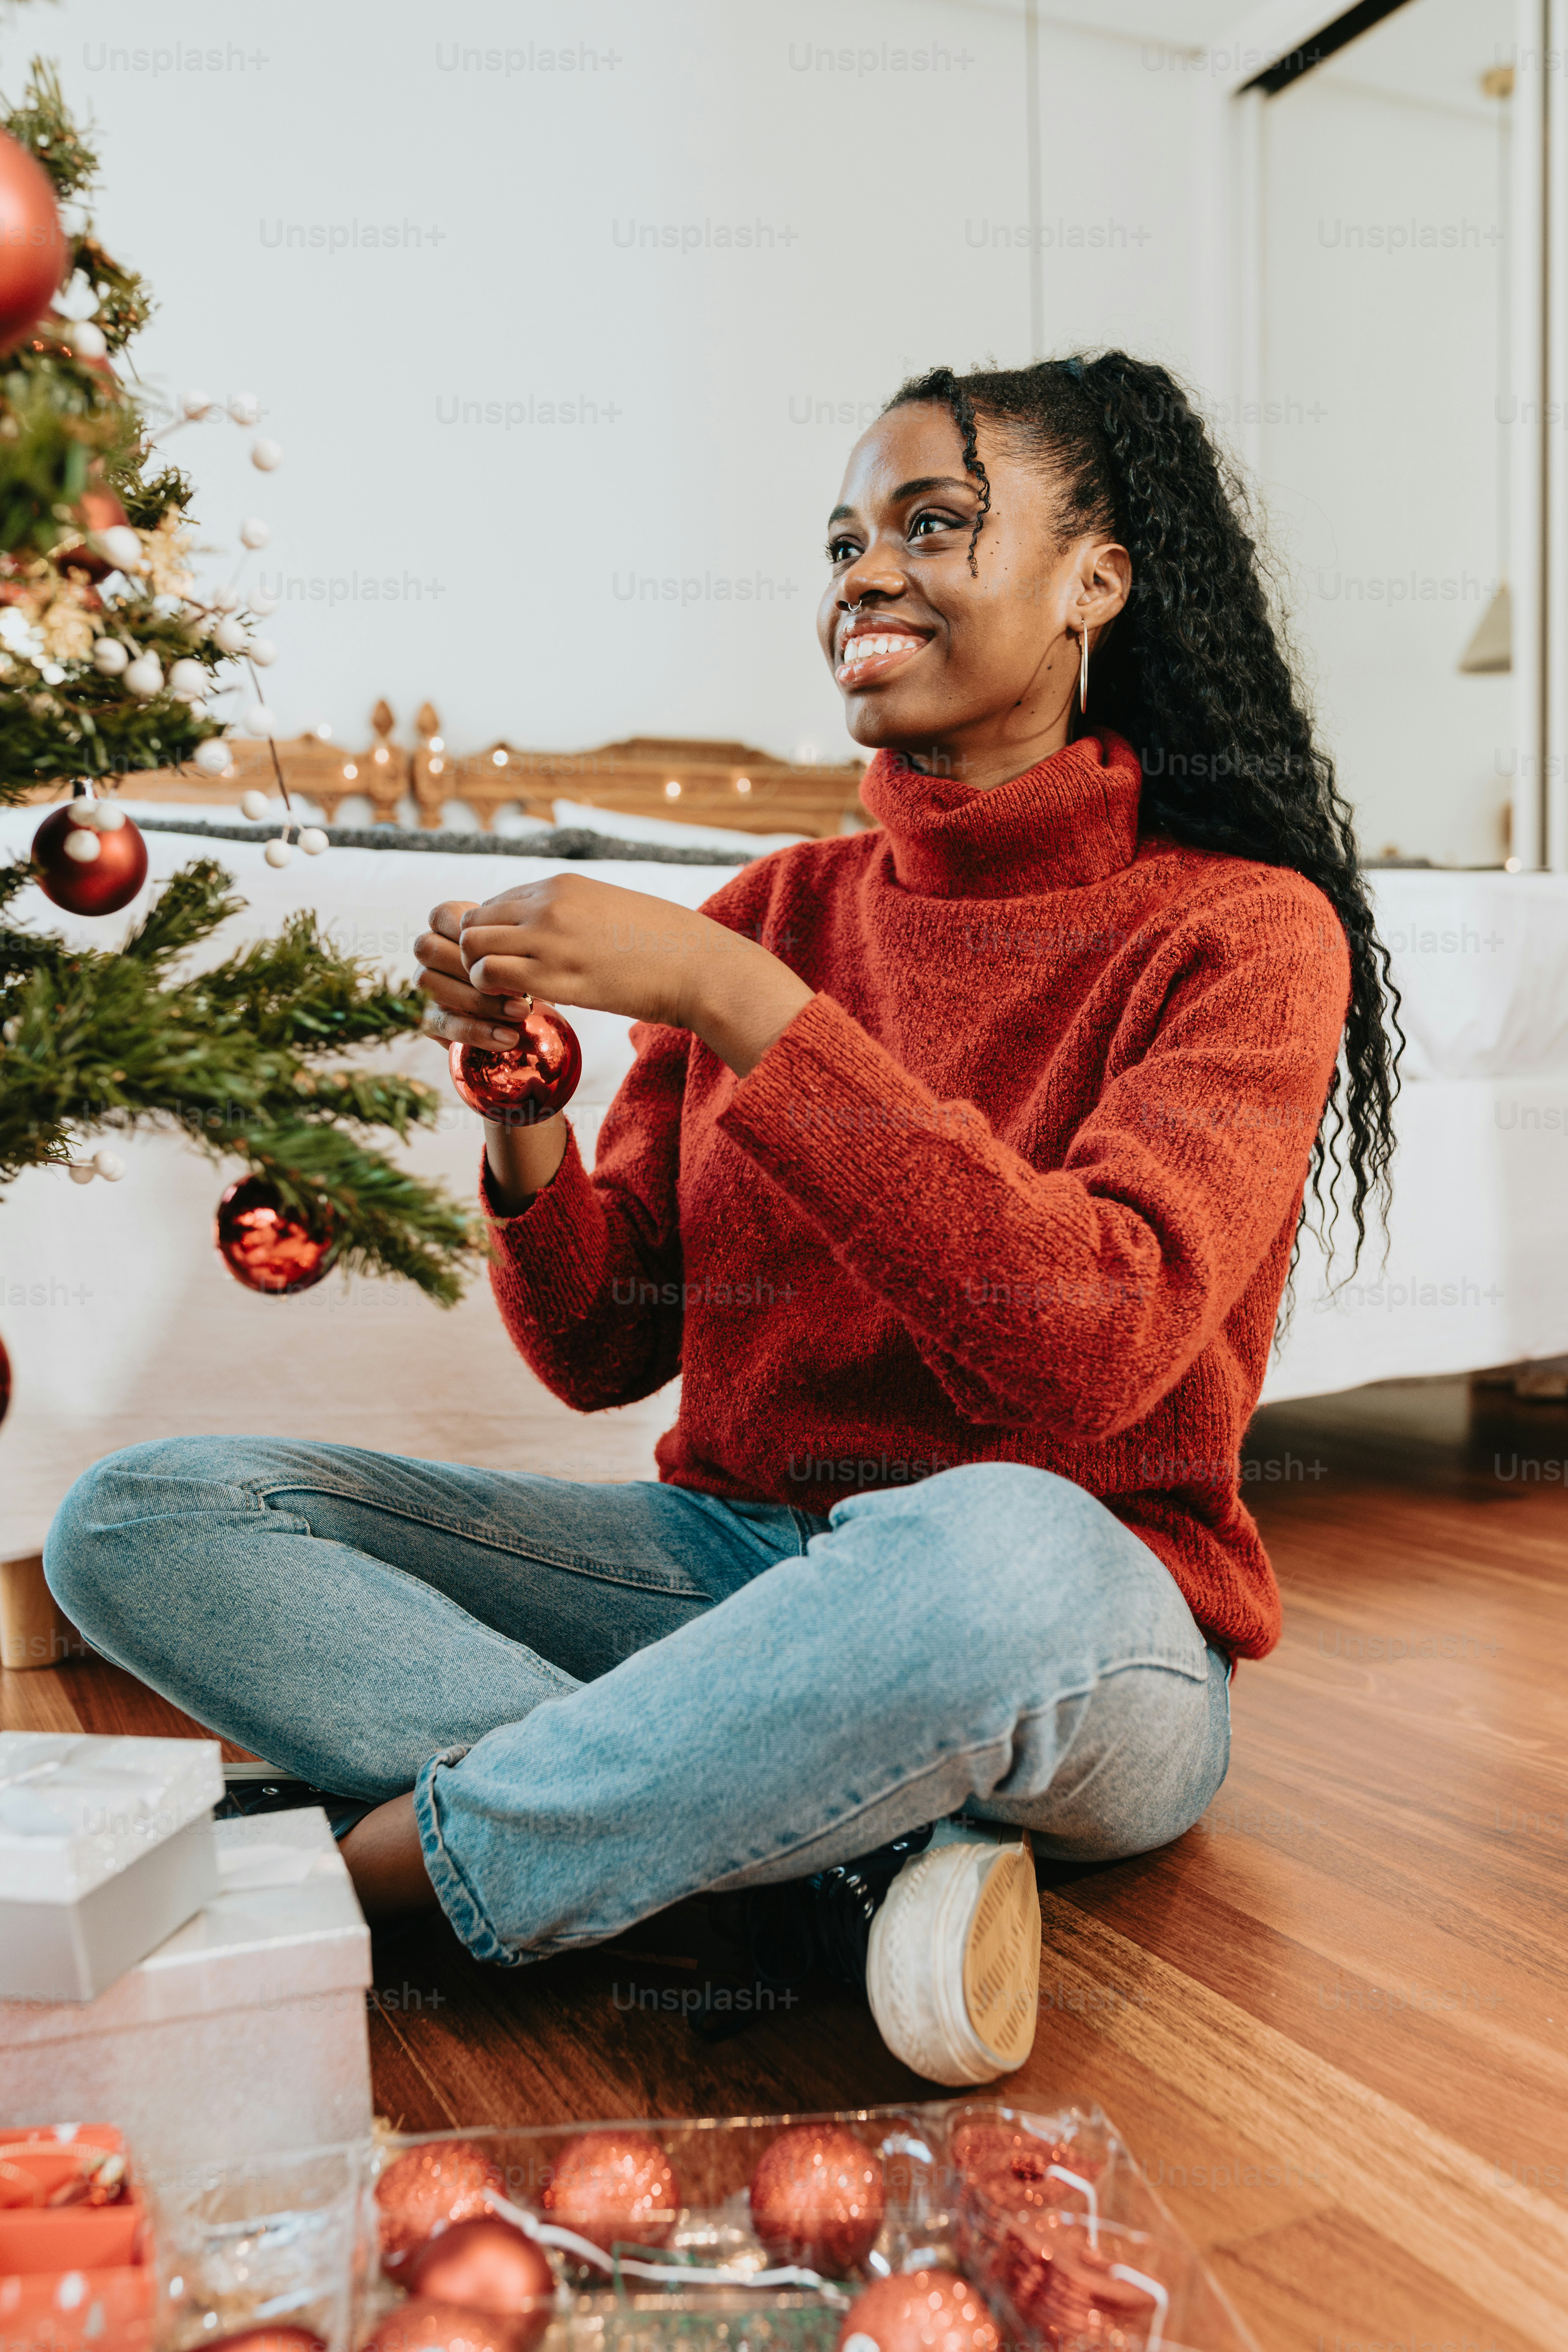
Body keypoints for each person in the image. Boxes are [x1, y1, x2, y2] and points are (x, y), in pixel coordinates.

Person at [46, 354, 1397, 2086]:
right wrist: (525, 1119)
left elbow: (1085, 1350)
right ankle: (807, 1852)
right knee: (145, 1517)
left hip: (1072, 1615)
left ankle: (411, 1872)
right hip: (727, 1570)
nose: (863, 573)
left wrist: (749, 1007)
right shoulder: (772, 907)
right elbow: (608, 1349)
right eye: (842, 539)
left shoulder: (1239, 931)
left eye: (931, 524)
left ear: (1094, 581)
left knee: (985, 1538)